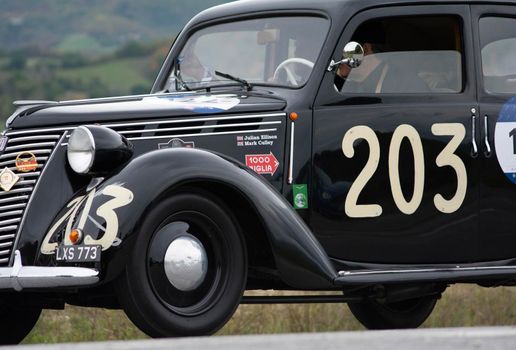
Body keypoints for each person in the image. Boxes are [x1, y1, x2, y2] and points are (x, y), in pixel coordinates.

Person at [334, 21, 429, 93]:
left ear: (366, 49)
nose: (337, 56)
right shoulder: (346, 87)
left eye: (344, 48)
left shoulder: (408, 86)